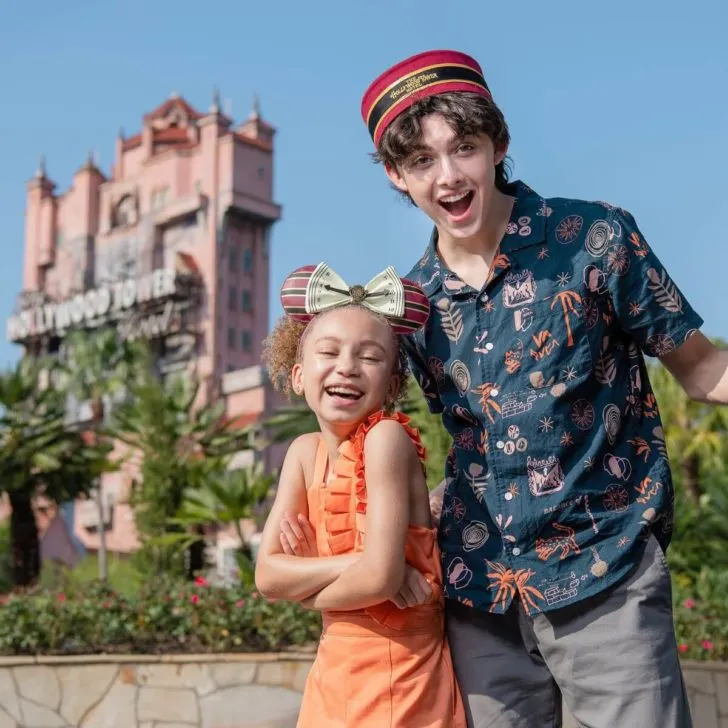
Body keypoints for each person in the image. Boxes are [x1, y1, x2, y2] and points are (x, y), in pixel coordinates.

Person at [353, 48, 728, 727]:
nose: (448, 176)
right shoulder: (408, 306)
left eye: (463, 148)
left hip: (605, 572)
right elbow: (396, 440)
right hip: (481, 600)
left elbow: (704, 371)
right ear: (396, 177)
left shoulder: (594, 239)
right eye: (421, 162)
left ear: (499, 142)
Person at [254, 262, 467, 727]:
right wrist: (361, 563)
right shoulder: (303, 453)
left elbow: (380, 581)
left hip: (400, 675)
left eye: (368, 357)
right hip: (333, 671)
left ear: (391, 386)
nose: (346, 367)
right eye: (328, 352)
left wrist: (307, 591)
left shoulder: (385, 438)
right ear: (296, 375)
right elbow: (268, 576)